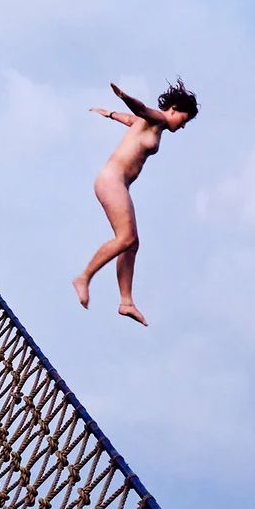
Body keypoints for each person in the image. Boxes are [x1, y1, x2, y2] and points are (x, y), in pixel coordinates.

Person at [74, 80, 200, 326]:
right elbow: (140, 110)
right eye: (183, 120)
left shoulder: (152, 127)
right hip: (112, 182)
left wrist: (109, 113)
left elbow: (130, 120)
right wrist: (124, 96)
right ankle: (84, 277)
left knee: (131, 244)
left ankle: (126, 302)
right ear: (173, 109)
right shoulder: (158, 119)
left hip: (116, 184)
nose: (182, 126)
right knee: (126, 239)